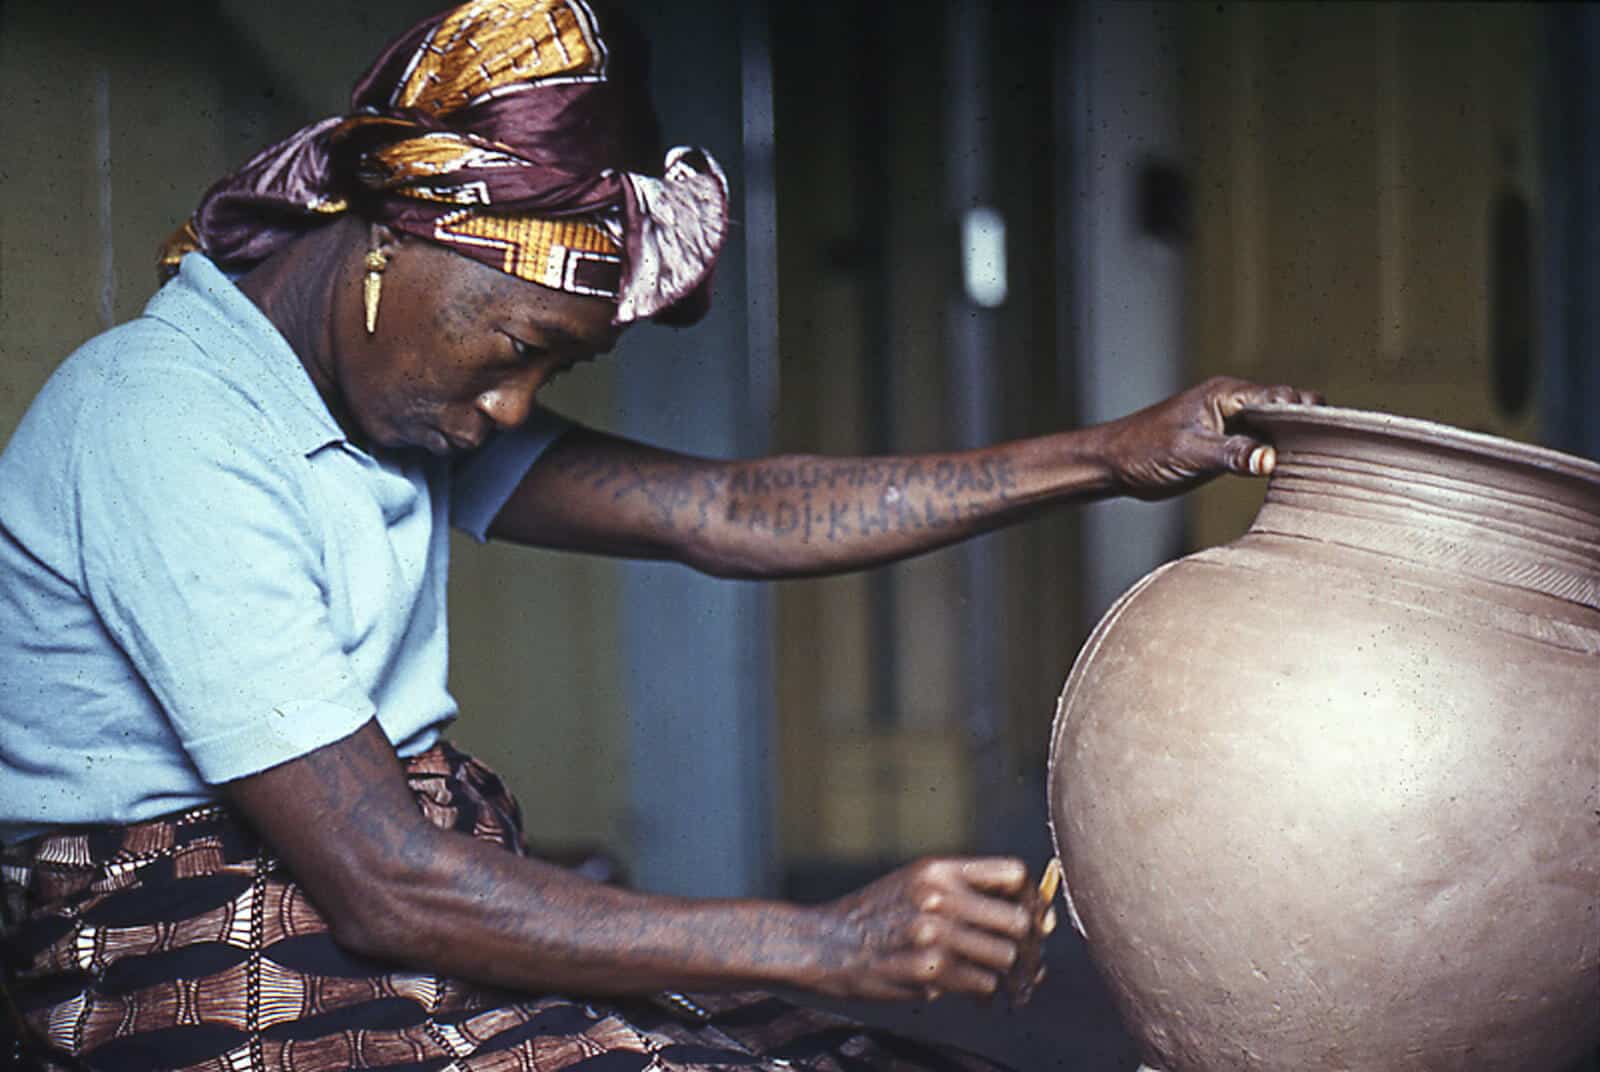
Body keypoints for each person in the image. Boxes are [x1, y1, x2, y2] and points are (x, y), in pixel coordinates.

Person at [0, 2, 1318, 1069]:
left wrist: (1111, 455)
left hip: (391, 885)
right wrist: (819, 942)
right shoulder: (165, 422)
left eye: (547, 378)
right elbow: (383, 884)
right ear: (392, 243)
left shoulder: (379, 402)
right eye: (515, 351)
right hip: (185, 949)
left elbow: (729, 512)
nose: (505, 413)